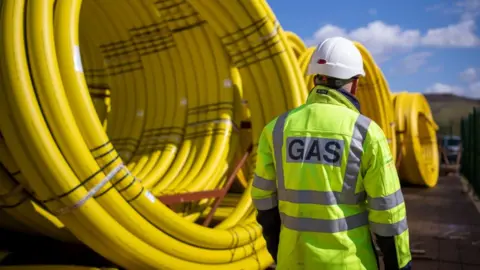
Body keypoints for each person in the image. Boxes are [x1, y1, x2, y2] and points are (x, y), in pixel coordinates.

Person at [251, 36, 412, 270]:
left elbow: (264, 202)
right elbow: (388, 214)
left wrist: (280, 252)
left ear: (316, 79)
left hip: (293, 261)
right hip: (348, 263)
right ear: (355, 84)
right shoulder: (366, 133)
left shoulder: (276, 129)